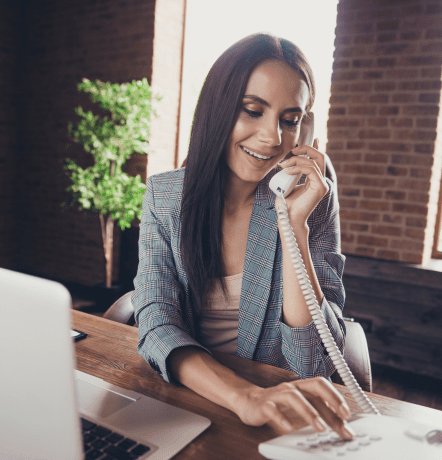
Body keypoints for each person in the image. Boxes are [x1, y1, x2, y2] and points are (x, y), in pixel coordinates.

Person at [132, 33, 353, 439]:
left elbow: (313, 366)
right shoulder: (164, 198)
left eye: (289, 120)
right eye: (253, 111)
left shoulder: (312, 196)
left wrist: (295, 229)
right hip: (192, 399)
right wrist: (243, 397)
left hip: (284, 415)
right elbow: (156, 322)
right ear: (217, 110)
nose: (272, 137)